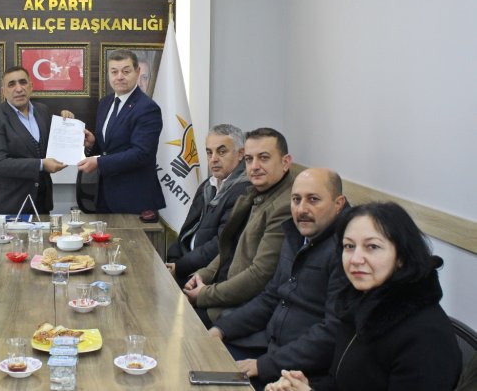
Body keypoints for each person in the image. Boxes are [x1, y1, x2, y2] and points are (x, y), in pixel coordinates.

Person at [265, 202, 462, 391]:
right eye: (349, 246)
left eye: (372, 247)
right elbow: (341, 383)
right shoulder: (358, 301)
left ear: (401, 257)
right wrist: (306, 385)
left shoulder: (427, 336)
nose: (355, 259)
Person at [209, 168, 349, 390]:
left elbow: (331, 333)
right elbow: (271, 297)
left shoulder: (347, 251)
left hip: (300, 372)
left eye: (313, 199)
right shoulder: (296, 234)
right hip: (268, 347)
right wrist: (221, 329)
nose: (302, 209)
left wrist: (264, 366)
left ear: (338, 203)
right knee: (199, 359)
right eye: (296, 199)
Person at [183, 127, 294, 326]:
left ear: (285, 162)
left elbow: (259, 276)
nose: (254, 166)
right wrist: (202, 275)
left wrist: (205, 294)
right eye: (249, 159)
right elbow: (229, 248)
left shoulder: (285, 206)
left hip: (240, 309)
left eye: (264, 158)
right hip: (220, 291)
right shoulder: (253, 193)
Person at [78, 49, 165, 214]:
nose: (119, 77)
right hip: (104, 196)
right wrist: (93, 144)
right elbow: (108, 148)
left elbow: (141, 153)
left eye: (126, 71)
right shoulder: (105, 103)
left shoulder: (147, 108)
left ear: (137, 72)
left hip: (135, 199)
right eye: (114, 71)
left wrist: (99, 163)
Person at [165, 124, 250, 287]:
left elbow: (219, 245)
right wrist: (173, 259)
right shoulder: (208, 184)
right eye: (209, 152)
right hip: (185, 265)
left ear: (241, 154)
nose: (213, 159)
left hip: (205, 276)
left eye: (222, 152)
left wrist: (179, 267)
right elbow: (187, 229)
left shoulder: (243, 190)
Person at [0, 66, 73, 214]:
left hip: (41, 202)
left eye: (23, 82)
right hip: (10, 204)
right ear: (4, 91)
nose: (18, 89)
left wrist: (67, 124)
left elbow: (53, 145)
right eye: (11, 84)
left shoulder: (42, 110)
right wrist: (41, 164)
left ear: (31, 86)